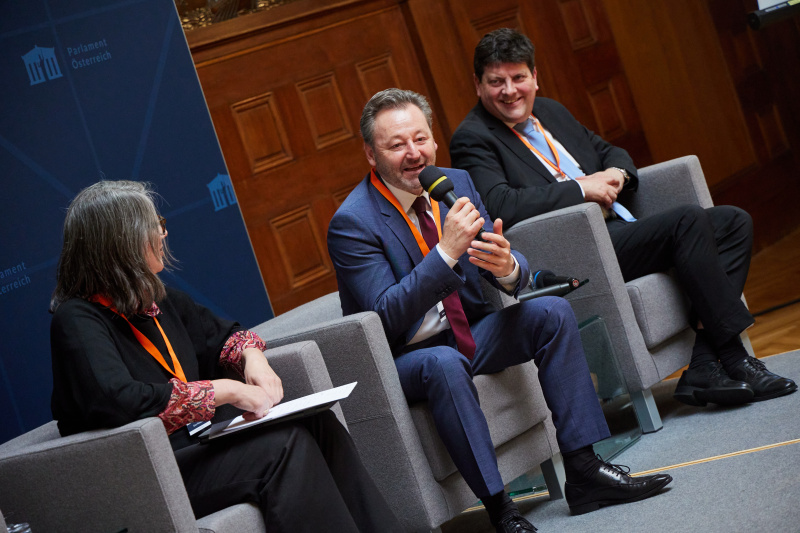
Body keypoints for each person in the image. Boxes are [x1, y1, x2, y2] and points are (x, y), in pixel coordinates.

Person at [327, 88, 672, 532]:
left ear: (433, 140)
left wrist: (508, 268)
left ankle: (585, 471)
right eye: (396, 145)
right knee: (444, 361)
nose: (413, 154)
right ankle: (501, 510)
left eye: (420, 139)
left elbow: (507, 264)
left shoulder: (455, 184)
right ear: (371, 155)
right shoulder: (353, 222)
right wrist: (446, 254)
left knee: (550, 313)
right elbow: (383, 316)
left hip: (471, 331)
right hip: (409, 356)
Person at [449, 28, 796, 407]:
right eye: (496, 82)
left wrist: (616, 176)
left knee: (733, 222)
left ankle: (701, 366)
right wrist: (585, 188)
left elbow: (610, 151)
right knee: (686, 221)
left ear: (535, 76)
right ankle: (733, 358)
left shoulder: (549, 111)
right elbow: (501, 204)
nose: (510, 91)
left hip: (618, 230)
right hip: (575, 248)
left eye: (518, 78)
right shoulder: (473, 137)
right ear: (478, 85)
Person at [49, 180, 402, 533]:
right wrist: (228, 391)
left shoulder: (157, 300)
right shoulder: (78, 320)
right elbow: (120, 399)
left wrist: (254, 359)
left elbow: (224, 336)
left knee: (319, 422)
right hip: (149, 472)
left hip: (198, 444)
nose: (161, 233)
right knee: (282, 448)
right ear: (119, 244)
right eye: (152, 225)